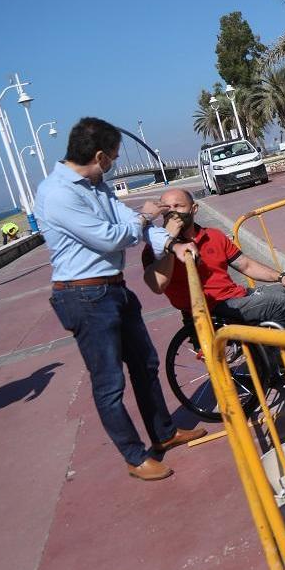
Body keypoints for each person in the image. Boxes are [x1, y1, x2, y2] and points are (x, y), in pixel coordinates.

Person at [34, 117, 205, 481]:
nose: (112, 163)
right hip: (83, 296)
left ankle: (163, 433)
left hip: (112, 289)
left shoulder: (96, 184)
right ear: (100, 155)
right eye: (112, 156)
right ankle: (134, 456)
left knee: (145, 364)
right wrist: (144, 218)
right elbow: (114, 237)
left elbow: (130, 223)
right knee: (109, 383)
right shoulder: (58, 194)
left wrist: (171, 243)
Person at [141, 188, 285, 337]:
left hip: (235, 296)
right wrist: (169, 241)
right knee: (277, 302)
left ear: (194, 209)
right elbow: (157, 286)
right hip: (210, 309)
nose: (173, 213)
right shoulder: (153, 250)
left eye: (178, 206)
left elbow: (246, 265)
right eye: (167, 208)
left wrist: (282, 276)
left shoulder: (214, 236)